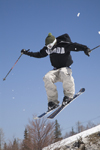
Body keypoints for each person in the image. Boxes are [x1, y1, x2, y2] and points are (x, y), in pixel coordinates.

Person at [21, 33, 90, 111]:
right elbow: (39, 54)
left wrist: (85, 48)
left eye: (50, 46)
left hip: (65, 68)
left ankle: (68, 95)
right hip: (55, 70)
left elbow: (75, 46)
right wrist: (27, 53)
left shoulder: (64, 45)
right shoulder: (48, 48)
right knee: (47, 77)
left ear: (54, 42)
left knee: (64, 72)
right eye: (48, 46)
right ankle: (53, 102)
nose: (49, 48)